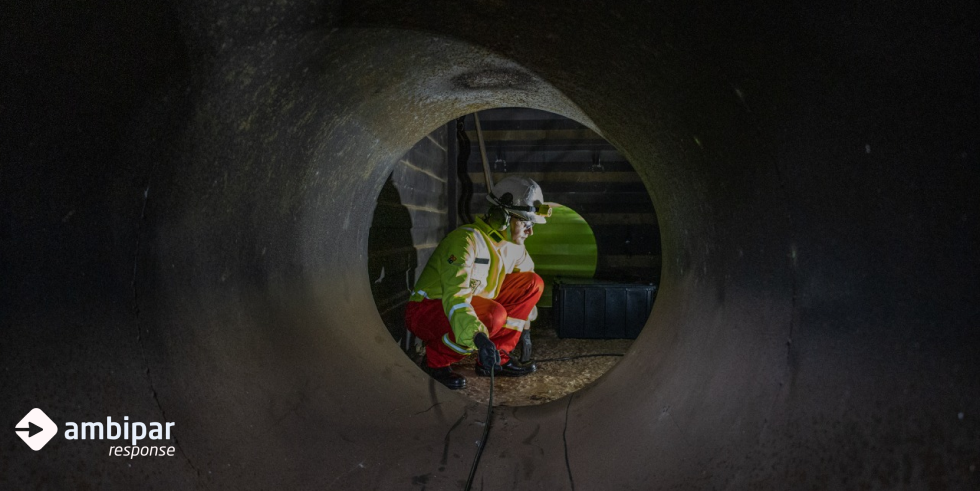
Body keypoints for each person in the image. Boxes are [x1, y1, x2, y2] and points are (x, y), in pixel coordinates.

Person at [404, 176, 551, 389]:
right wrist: (477, 336)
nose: (531, 231)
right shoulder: (465, 241)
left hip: (473, 307)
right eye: (526, 223)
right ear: (503, 217)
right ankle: (435, 362)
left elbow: (526, 287)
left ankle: (495, 360)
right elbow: (456, 297)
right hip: (427, 310)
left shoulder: (514, 247)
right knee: (493, 315)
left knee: (532, 283)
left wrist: (526, 320)